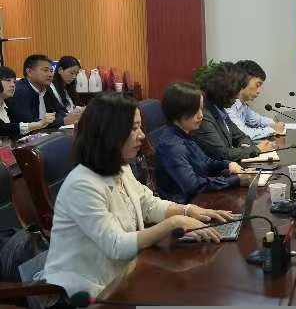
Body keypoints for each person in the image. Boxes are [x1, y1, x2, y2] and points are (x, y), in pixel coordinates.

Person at [41, 93, 233, 297]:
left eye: (140, 127)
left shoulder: (120, 166)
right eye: (133, 128)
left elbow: (148, 205)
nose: (142, 135)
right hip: (88, 291)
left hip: (125, 275)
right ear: (109, 133)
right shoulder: (82, 185)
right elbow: (117, 246)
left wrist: (188, 210)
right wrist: (174, 223)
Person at [155, 82, 254, 204]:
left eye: (201, 109)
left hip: (199, 199)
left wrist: (228, 164)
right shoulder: (172, 147)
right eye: (195, 110)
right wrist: (236, 180)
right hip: (184, 206)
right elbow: (193, 186)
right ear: (178, 111)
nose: (201, 115)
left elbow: (205, 162)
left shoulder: (184, 134)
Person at [192, 62, 273, 161]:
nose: (238, 96)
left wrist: (245, 148)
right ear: (225, 90)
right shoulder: (203, 115)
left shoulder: (219, 108)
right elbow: (222, 154)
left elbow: (241, 136)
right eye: (237, 91)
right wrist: (256, 149)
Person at [6, 54, 80, 128]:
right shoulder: (19, 91)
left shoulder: (46, 88)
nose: (50, 74)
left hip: (45, 132)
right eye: (45, 70)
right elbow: (28, 122)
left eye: (51, 71)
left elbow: (61, 111)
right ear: (29, 72)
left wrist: (66, 118)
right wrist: (63, 121)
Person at [226, 60, 285, 140]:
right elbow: (244, 133)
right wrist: (273, 129)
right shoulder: (227, 105)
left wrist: (274, 124)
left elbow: (259, 120)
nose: (259, 91)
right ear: (242, 80)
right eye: (257, 85)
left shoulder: (242, 105)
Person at [0, 67, 54, 145]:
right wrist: (39, 124)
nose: (13, 85)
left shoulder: (9, 104)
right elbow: (3, 127)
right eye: (8, 80)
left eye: (14, 82)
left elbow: (14, 128)